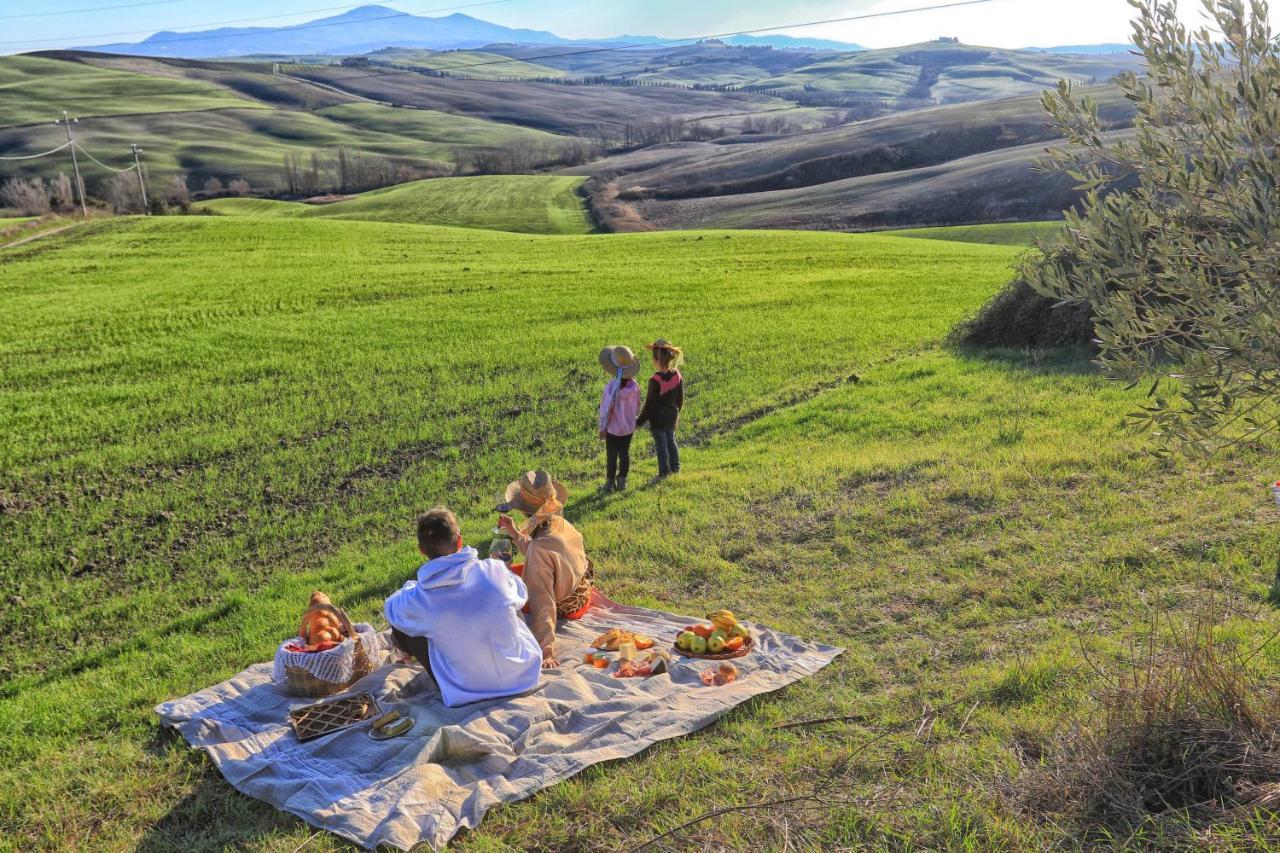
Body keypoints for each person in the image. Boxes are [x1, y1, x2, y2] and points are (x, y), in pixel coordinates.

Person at [383, 507, 542, 707]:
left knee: (403, 618)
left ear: (421, 550)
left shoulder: (418, 598)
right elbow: (521, 593)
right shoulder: (493, 570)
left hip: (465, 689)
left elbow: (389, 608)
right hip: (522, 676)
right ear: (459, 540)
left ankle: (404, 655)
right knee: (508, 598)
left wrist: (409, 588)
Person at [496, 470, 593, 669]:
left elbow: (543, 602)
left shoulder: (539, 549)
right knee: (517, 571)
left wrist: (546, 649)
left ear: (524, 509)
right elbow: (539, 550)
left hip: (569, 606)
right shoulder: (560, 522)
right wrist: (515, 533)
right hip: (584, 590)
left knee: (499, 583)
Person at [635, 338, 684, 477]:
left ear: (656, 359)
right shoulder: (677, 375)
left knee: (661, 446)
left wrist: (639, 422)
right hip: (671, 416)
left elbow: (649, 405)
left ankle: (663, 472)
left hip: (658, 419)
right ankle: (676, 468)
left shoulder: (655, 380)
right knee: (671, 442)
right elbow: (680, 399)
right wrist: (676, 412)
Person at [597, 344, 641, 493]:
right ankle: (622, 481)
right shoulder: (635, 386)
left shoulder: (611, 388)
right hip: (628, 428)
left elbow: (606, 410)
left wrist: (602, 428)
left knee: (611, 455)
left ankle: (609, 484)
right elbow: (637, 406)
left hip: (613, 429)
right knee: (624, 453)